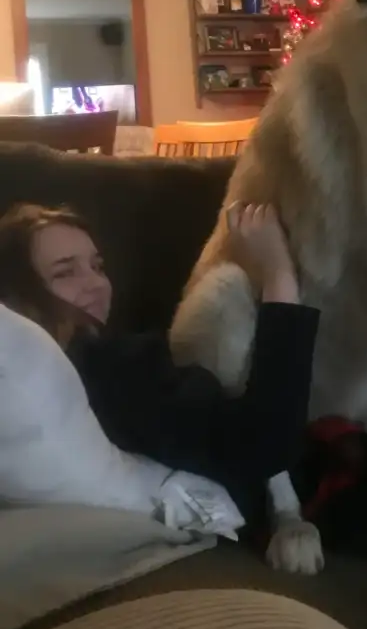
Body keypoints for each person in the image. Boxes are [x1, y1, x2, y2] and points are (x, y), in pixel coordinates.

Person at [0, 200, 319, 525]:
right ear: (16, 298)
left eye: (97, 266)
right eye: (65, 272)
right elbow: (266, 442)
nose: (97, 283)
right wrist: (277, 269)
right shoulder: (114, 371)